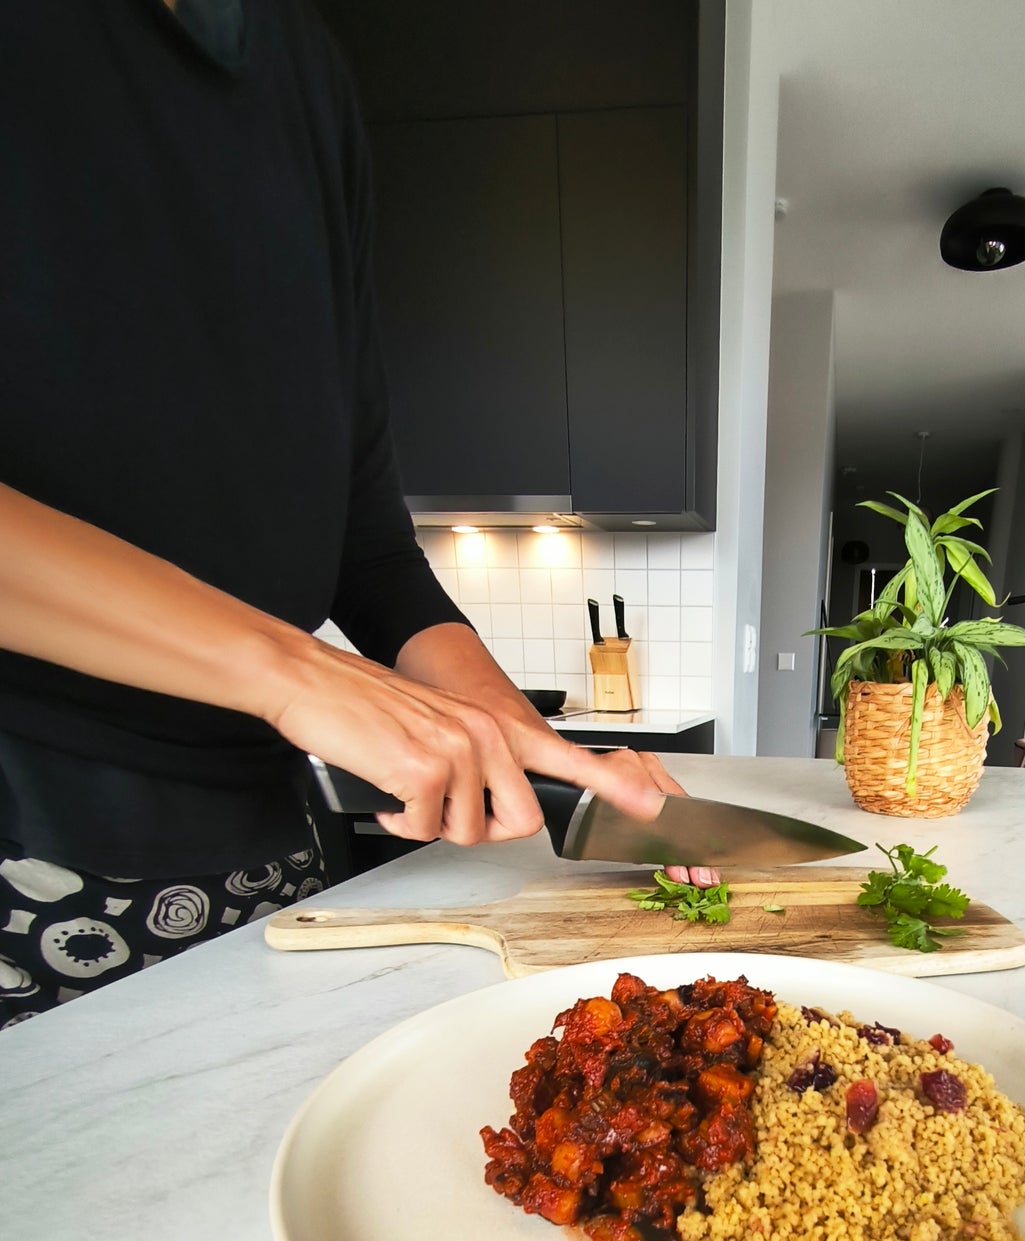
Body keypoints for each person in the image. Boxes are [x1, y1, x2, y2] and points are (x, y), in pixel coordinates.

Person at [0, 0, 713, 1030]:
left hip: (272, 838)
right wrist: (288, 672)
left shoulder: (302, 71)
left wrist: (522, 738)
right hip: (38, 846)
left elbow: (364, 541)